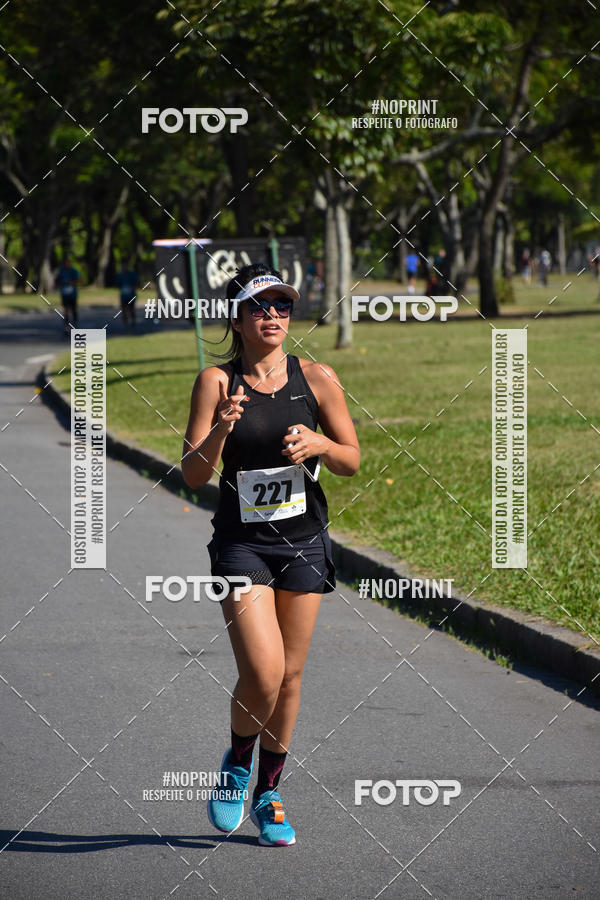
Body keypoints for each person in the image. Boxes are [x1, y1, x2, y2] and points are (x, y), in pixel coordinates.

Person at [181, 262, 360, 847]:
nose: (273, 316)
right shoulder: (216, 382)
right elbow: (192, 474)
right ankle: (236, 765)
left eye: (281, 306)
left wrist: (321, 444)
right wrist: (221, 432)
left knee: (291, 676)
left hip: (304, 540)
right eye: (260, 307)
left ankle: (269, 793)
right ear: (237, 316)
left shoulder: (318, 377)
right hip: (242, 543)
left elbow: (352, 459)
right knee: (263, 671)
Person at [55, 257, 81, 334]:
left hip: (73, 294)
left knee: (73, 310)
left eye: (68, 263)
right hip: (64, 294)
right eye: (65, 263)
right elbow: (57, 280)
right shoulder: (61, 271)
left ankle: (74, 325)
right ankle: (67, 327)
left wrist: (72, 282)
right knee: (66, 311)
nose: (66, 264)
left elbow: (79, 279)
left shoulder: (73, 271)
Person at [115, 262, 139, 327]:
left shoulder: (132, 274)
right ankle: (125, 323)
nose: (124, 268)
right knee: (123, 310)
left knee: (131, 309)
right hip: (123, 296)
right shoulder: (120, 275)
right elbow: (118, 285)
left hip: (131, 295)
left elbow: (136, 283)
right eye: (123, 266)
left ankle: (133, 322)